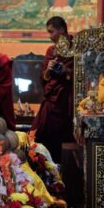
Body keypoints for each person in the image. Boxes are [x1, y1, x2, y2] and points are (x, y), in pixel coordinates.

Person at [31, 16, 74, 162]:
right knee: (40, 135)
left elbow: (85, 75)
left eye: (51, 32)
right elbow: (44, 77)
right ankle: (45, 167)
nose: (50, 36)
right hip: (51, 101)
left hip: (67, 100)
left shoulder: (77, 47)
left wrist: (66, 71)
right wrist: (49, 69)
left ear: (62, 30)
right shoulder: (51, 50)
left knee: (62, 139)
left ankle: (61, 169)